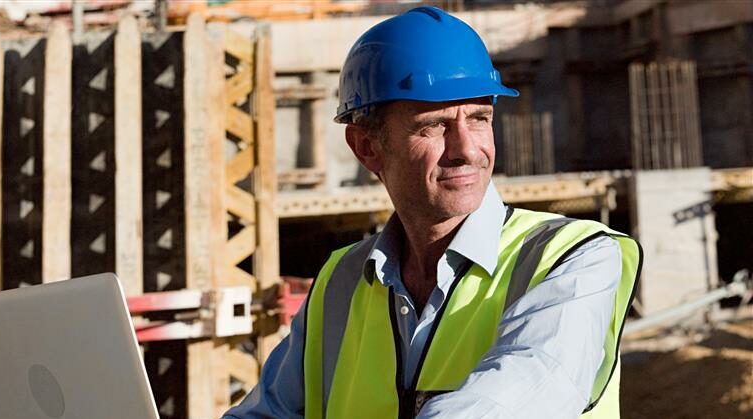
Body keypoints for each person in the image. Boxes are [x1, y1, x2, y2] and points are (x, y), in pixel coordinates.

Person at [223, 6, 641, 419]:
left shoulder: (574, 259)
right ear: (366, 147)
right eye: (434, 125)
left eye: (479, 119)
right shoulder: (340, 283)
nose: (467, 150)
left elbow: (519, 393)